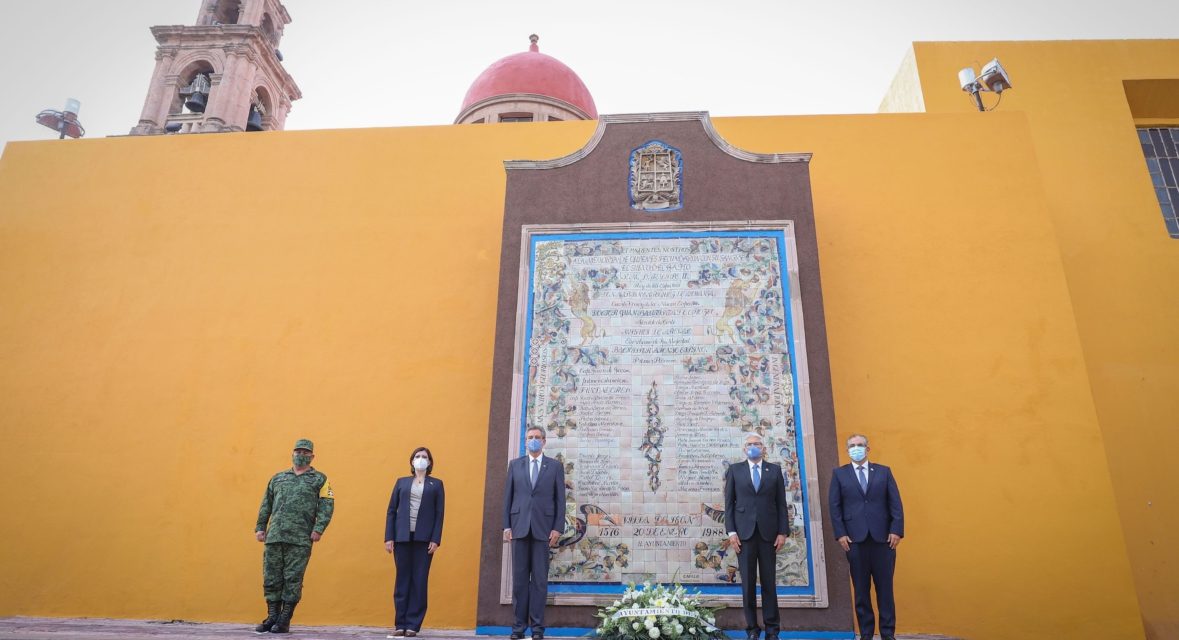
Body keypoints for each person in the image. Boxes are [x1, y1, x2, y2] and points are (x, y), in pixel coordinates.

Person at [254, 438, 335, 634]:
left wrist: (319, 528)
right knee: (271, 578)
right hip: (275, 536)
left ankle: (284, 619)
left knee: (293, 579)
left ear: (312, 456)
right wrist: (260, 527)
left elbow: (327, 505)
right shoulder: (278, 478)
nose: (301, 455)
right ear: (292, 454)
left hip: (300, 538)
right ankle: (272, 616)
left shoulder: (320, 479)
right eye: (298, 451)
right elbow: (267, 503)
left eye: (306, 452)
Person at [828, 434, 904, 640]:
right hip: (854, 541)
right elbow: (834, 507)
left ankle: (888, 634)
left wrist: (896, 530)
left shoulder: (883, 472)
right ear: (847, 450)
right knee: (861, 591)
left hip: (883, 540)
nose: (856, 448)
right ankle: (866, 634)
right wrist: (841, 534)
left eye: (860, 445)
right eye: (852, 446)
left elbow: (895, 503)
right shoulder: (839, 474)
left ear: (868, 449)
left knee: (885, 589)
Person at [724, 433, 790, 640]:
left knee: (769, 583)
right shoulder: (735, 470)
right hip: (744, 536)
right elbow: (729, 504)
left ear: (763, 447)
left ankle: (772, 630)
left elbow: (781, 504)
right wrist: (732, 533)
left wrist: (782, 532)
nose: (753, 447)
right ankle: (752, 629)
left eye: (757, 444)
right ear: (744, 449)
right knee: (748, 584)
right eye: (749, 444)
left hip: (769, 535)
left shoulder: (775, 470)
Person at [502, 426, 566, 640]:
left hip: (543, 530)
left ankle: (537, 629)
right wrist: (506, 526)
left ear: (544, 441)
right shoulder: (515, 465)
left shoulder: (555, 467)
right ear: (525, 441)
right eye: (530, 438)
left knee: (539, 581)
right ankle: (518, 628)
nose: (534, 440)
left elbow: (560, 501)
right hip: (519, 528)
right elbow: (508, 498)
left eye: (538, 437)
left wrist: (557, 527)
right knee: (519, 581)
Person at [385, 447, 445, 637]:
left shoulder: (436, 484)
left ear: (430, 462)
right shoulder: (401, 482)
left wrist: (435, 539)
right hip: (402, 537)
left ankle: (413, 624)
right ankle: (400, 624)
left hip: (424, 539)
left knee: (419, 581)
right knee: (402, 580)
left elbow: (439, 514)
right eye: (417, 456)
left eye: (424, 457)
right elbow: (391, 511)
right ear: (412, 461)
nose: (421, 459)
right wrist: (389, 537)